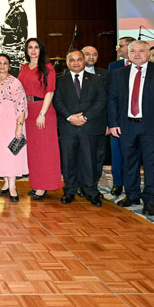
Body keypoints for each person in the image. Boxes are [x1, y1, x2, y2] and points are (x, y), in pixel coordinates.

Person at [108, 40, 154, 216]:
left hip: (153, 128)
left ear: (148, 53)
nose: (137, 54)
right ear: (128, 54)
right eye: (133, 51)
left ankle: (150, 200)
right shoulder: (119, 73)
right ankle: (132, 195)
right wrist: (113, 123)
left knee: (152, 165)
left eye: (141, 51)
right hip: (126, 126)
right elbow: (113, 100)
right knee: (129, 163)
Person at [53, 50, 106, 206]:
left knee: (89, 161)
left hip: (89, 126)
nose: (76, 63)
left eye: (79, 60)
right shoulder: (60, 80)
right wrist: (70, 117)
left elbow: (101, 101)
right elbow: (57, 101)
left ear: (84, 61)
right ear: (67, 62)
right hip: (68, 126)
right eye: (72, 60)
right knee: (68, 161)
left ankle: (91, 191)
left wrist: (85, 117)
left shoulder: (96, 79)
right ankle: (69, 191)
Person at [18, 38, 60, 199]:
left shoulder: (47, 67)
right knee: (33, 151)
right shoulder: (23, 67)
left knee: (44, 150)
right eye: (30, 47)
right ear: (26, 50)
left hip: (43, 110)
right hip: (27, 110)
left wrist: (42, 113)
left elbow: (50, 91)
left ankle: (44, 185)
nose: (33, 50)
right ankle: (36, 183)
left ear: (41, 49)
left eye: (36, 47)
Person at [0, 53, 27, 201]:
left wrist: (19, 126)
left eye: (5, 63)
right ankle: (5, 183)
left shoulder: (15, 82)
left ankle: (13, 187)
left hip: (11, 121)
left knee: (11, 153)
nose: (2, 66)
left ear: (9, 65)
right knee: (0, 152)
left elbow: (22, 106)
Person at [107, 36, 135, 196]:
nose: (117, 48)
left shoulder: (145, 66)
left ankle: (133, 184)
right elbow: (110, 93)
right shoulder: (114, 66)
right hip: (118, 118)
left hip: (138, 118)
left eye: (120, 45)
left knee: (134, 154)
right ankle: (117, 183)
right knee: (117, 153)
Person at [81, 45, 110, 194]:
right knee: (81, 157)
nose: (91, 57)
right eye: (87, 54)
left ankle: (93, 186)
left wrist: (109, 124)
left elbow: (110, 100)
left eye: (95, 54)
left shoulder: (105, 74)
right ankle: (81, 186)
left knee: (98, 157)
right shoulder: (70, 74)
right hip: (79, 123)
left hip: (99, 123)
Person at [0, 0, 29, 66]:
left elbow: (23, 31)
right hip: (6, 44)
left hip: (13, 47)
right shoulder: (12, 6)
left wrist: (20, 48)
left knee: (13, 67)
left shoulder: (20, 12)